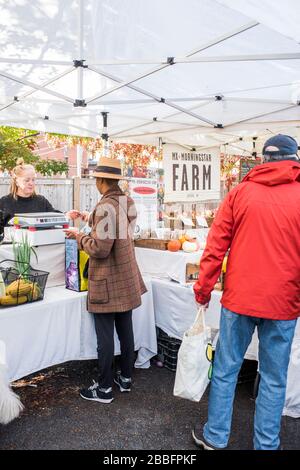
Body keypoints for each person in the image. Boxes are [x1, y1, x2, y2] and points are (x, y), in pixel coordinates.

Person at [192, 134, 300, 450]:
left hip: (239, 299)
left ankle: (216, 437)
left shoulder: (240, 193)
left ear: (264, 160)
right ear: (294, 159)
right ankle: (266, 444)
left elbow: (215, 247)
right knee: (273, 378)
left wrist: (203, 290)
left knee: (226, 370)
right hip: (282, 302)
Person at [64, 156, 146, 404]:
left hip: (108, 282)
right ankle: (126, 378)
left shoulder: (105, 207)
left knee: (105, 337)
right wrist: (90, 216)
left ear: (101, 180)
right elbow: (117, 225)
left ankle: (104, 389)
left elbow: (99, 249)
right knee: (125, 329)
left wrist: (79, 237)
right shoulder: (126, 200)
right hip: (126, 278)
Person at [0, 158, 61, 226]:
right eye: (27, 180)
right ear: (17, 182)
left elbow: (54, 216)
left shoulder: (41, 201)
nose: (31, 183)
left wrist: (67, 215)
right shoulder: (5, 202)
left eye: (33, 180)